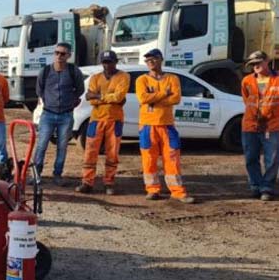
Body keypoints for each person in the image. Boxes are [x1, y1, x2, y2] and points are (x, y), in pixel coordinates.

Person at [136, 48, 195, 203]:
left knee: (172, 159)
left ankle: (177, 191)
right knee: (149, 159)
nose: (150, 62)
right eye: (147, 60)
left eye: (153, 59)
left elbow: (176, 98)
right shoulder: (141, 80)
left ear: (161, 59)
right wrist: (164, 94)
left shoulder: (172, 79)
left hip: (167, 125)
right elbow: (143, 98)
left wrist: (153, 98)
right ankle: (152, 189)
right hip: (148, 125)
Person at [75, 51, 129, 195]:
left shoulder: (123, 77)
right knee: (90, 152)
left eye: (110, 62)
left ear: (115, 62)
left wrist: (99, 96)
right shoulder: (95, 78)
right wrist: (109, 98)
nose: (107, 65)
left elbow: (119, 97)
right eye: (104, 62)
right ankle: (87, 182)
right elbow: (90, 99)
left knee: (112, 153)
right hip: (96, 119)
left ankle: (109, 182)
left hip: (114, 120)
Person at [33, 42, 84, 186]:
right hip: (48, 114)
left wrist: (70, 101)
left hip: (66, 116)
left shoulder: (74, 71)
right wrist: (49, 101)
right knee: (41, 145)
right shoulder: (46, 71)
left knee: (62, 147)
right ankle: (36, 175)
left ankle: (57, 175)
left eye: (62, 54)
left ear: (69, 56)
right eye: (56, 53)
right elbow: (39, 90)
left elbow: (79, 90)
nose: (59, 56)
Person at [240, 50, 279, 201]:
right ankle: (255, 186)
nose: (255, 66)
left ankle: (267, 187)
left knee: (272, 158)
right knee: (251, 157)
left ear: (266, 61)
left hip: (272, 126)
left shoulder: (277, 80)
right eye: (252, 64)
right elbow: (246, 99)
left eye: (258, 63)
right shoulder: (247, 81)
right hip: (250, 125)